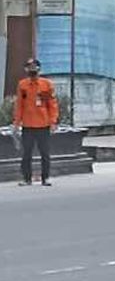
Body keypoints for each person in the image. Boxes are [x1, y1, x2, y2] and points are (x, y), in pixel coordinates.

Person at [13, 58, 59, 186]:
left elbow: (52, 104)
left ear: (39, 69)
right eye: (29, 68)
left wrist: (53, 121)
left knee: (45, 153)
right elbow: (19, 105)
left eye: (34, 68)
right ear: (26, 70)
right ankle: (27, 178)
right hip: (28, 125)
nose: (32, 71)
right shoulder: (22, 85)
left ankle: (46, 178)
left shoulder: (46, 85)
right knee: (26, 154)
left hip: (43, 125)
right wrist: (17, 123)